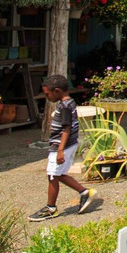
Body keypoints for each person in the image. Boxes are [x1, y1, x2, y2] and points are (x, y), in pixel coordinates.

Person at [28, 74, 95, 221]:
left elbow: (66, 129)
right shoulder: (69, 102)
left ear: (57, 91)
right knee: (58, 174)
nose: (47, 97)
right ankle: (84, 192)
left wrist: (60, 150)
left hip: (62, 146)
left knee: (53, 175)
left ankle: (51, 208)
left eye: (47, 94)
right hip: (67, 144)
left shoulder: (64, 106)